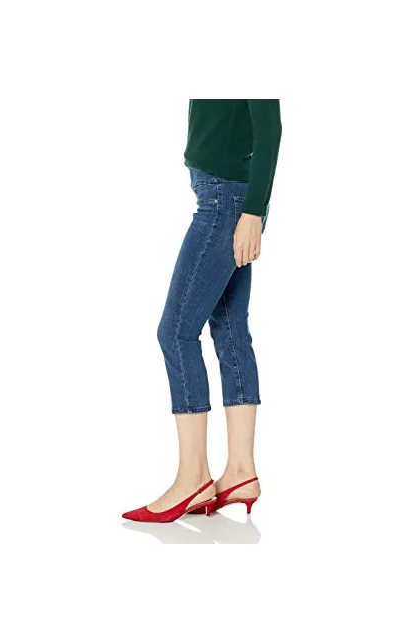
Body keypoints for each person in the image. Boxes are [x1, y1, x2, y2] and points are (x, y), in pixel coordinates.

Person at [123, 97, 282, 522]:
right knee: (230, 330)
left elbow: (269, 127)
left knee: (176, 332)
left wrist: (254, 211)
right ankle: (240, 471)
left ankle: (193, 476)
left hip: (224, 202)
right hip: (227, 195)